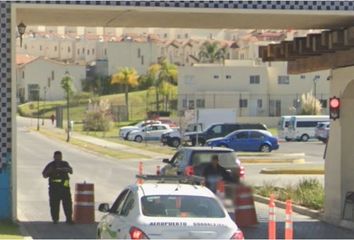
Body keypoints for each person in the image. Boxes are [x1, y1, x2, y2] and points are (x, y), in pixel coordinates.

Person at [42, 151, 74, 224]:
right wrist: (50, 171)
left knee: (67, 204)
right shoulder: (51, 165)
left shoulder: (65, 164)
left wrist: (65, 169)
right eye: (57, 157)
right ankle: (55, 219)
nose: (58, 158)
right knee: (54, 204)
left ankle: (69, 218)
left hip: (65, 188)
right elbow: (44, 175)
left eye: (60, 157)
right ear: (54, 157)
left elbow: (71, 171)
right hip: (54, 188)